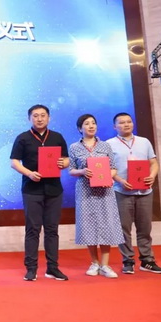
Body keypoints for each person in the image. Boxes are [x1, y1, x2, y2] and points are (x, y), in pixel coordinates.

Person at [10, 104, 69, 281]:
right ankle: (31, 268)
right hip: (31, 189)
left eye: (43, 115)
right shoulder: (23, 138)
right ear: (29, 118)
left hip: (54, 189)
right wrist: (29, 173)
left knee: (52, 230)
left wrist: (63, 163)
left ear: (49, 118)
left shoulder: (57, 137)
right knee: (32, 229)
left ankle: (52, 268)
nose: (39, 118)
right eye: (35, 116)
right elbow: (14, 162)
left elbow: (66, 159)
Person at [107, 112, 161, 274]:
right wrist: (120, 180)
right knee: (123, 228)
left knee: (145, 228)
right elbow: (107, 169)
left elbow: (153, 163)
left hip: (144, 191)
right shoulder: (109, 144)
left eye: (129, 121)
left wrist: (152, 176)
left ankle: (147, 260)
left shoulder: (144, 142)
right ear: (114, 126)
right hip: (121, 191)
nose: (126, 124)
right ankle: (128, 260)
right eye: (121, 122)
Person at [68, 114, 124, 278]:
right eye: (87, 124)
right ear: (80, 128)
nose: (91, 126)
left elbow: (113, 168)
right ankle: (94, 263)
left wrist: (107, 177)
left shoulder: (105, 146)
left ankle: (105, 265)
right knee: (89, 225)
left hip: (105, 191)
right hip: (85, 191)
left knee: (106, 224)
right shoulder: (74, 147)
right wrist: (82, 171)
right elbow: (71, 170)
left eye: (93, 123)